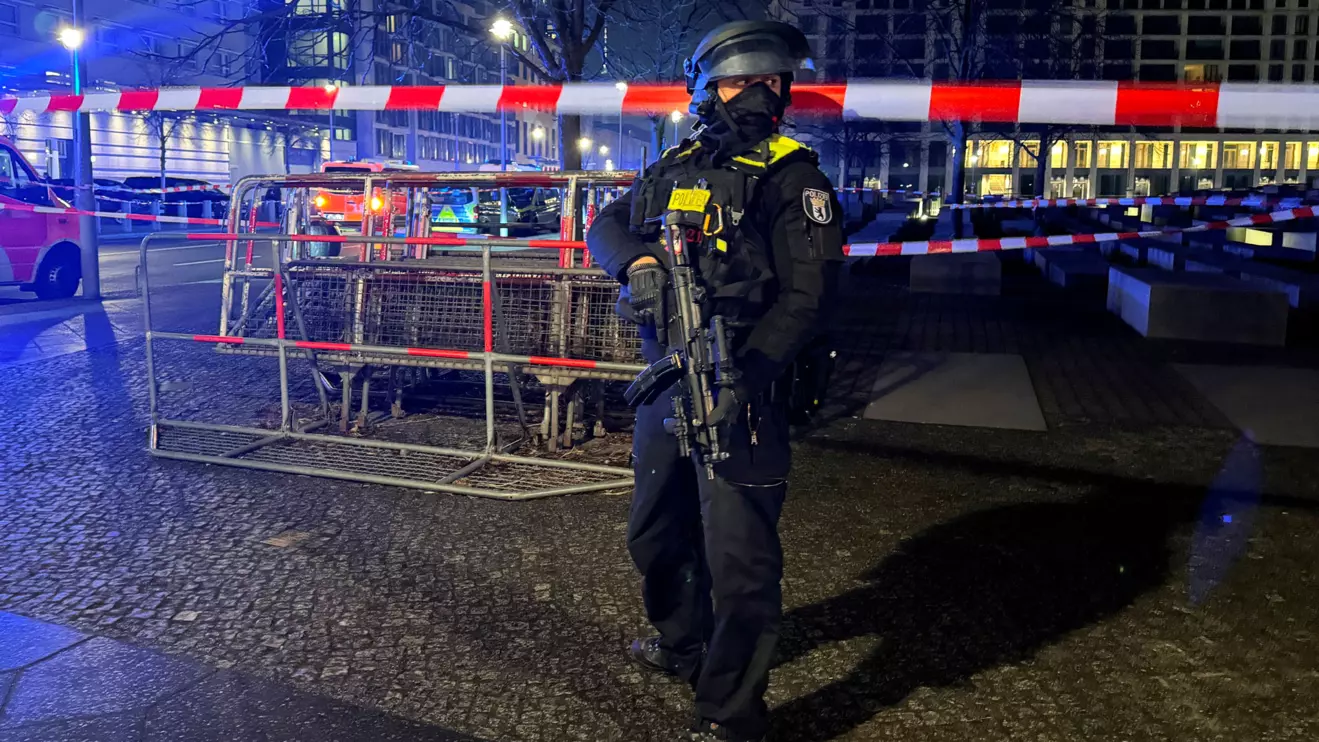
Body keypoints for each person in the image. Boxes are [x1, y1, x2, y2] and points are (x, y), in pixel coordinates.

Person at [586, 20, 845, 742]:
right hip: (667, 374)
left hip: (744, 384)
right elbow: (604, 223)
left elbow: (809, 298)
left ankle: (731, 711)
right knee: (655, 532)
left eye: (769, 82)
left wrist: (748, 378)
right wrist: (636, 266)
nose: (756, 95)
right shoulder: (677, 162)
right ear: (705, 87)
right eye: (740, 81)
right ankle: (681, 642)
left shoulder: (795, 177)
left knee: (741, 562)